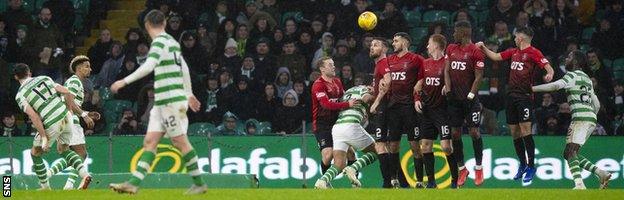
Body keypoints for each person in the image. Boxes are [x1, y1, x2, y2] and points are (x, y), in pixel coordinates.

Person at [109, 10, 206, 195]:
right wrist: (189, 93)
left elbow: (149, 65)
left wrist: (124, 81)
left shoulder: (160, 42)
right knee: (150, 141)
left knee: (179, 142)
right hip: (163, 102)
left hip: (170, 100)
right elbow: (183, 67)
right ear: (165, 22)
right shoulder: (171, 42)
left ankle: (199, 183)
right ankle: (133, 183)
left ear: (146, 25)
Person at [476, 27, 554, 184]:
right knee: (514, 132)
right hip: (510, 96)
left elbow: (547, 66)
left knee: (525, 129)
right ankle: (523, 164)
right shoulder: (513, 52)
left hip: (524, 97)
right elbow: (496, 57)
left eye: (516, 36)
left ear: (522, 38)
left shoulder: (534, 52)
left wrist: (549, 73)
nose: (514, 38)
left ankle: (531, 166)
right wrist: (484, 48)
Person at [532, 51, 612, 189]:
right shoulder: (587, 78)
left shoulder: (571, 75)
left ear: (575, 61)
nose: (566, 59)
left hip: (580, 118)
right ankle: (601, 173)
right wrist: (590, 116)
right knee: (569, 152)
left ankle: (579, 184)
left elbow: (555, 86)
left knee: (570, 152)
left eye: (569, 57)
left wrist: (531, 88)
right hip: (591, 118)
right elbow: (597, 104)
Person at [13, 63, 93, 190]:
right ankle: (85, 174)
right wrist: (68, 110)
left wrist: (44, 137)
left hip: (52, 121)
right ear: (29, 73)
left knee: (35, 154)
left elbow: (34, 116)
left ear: (16, 77)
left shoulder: (20, 95)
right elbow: (66, 92)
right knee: (64, 150)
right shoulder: (45, 78)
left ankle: (45, 187)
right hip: (66, 117)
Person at [373, 32, 425, 188]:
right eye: (393, 40)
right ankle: (394, 179)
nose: (393, 43)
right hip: (393, 108)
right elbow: (382, 77)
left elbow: (425, 74)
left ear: (405, 42)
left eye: (396, 41)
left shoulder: (416, 59)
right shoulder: (388, 61)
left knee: (415, 146)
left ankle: (420, 181)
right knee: (393, 145)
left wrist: (420, 83)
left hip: (410, 107)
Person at [47, 56, 102, 190]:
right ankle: (69, 185)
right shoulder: (74, 81)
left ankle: (47, 175)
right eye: (87, 66)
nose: (90, 69)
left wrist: (88, 113)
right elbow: (68, 100)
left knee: (72, 155)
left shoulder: (75, 82)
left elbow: (73, 103)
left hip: (64, 119)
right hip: (70, 120)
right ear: (79, 68)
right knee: (81, 154)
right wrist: (84, 115)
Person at [442, 21, 485, 187]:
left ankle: (479, 168)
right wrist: (449, 89)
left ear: (464, 33)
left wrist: (471, 95)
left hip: (470, 99)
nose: (453, 35)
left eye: (455, 32)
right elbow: (446, 70)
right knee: (455, 134)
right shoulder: (451, 48)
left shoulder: (475, 51)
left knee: (474, 132)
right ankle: (462, 169)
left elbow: (479, 76)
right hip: (454, 100)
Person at [315, 85, 378, 189]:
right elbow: (366, 98)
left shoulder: (347, 92)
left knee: (339, 164)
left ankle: (322, 181)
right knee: (378, 150)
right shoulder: (364, 90)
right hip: (351, 125)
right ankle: (353, 168)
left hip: (337, 127)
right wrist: (374, 96)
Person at [415, 34, 457, 189]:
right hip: (427, 110)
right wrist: (417, 99)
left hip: (443, 111)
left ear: (437, 45)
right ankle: (431, 182)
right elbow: (418, 86)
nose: (427, 46)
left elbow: (456, 80)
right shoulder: (425, 63)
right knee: (425, 146)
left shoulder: (447, 63)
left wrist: (449, 86)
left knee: (446, 147)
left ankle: (455, 181)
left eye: (429, 44)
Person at [311, 57, 358, 177]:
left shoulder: (337, 81)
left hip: (338, 123)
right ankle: (325, 183)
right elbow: (325, 104)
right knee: (328, 155)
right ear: (322, 69)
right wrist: (347, 104)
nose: (334, 67)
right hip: (322, 124)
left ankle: (356, 184)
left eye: (333, 64)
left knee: (351, 153)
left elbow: (345, 96)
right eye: (330, 65)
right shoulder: (318, 85)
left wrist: (360, 93)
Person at [367, 37, 393, 188]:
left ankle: (387, 183)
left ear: (384, 49)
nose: (372, 47)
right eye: (371, 45)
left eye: (376, 45)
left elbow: (388, 81)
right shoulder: (378, 65)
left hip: (384, 107)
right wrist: (373, 89)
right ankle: (397, 181)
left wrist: (376, 102)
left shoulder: (383, 63)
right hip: (385, 106)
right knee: (388, 147)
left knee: (381, 145)